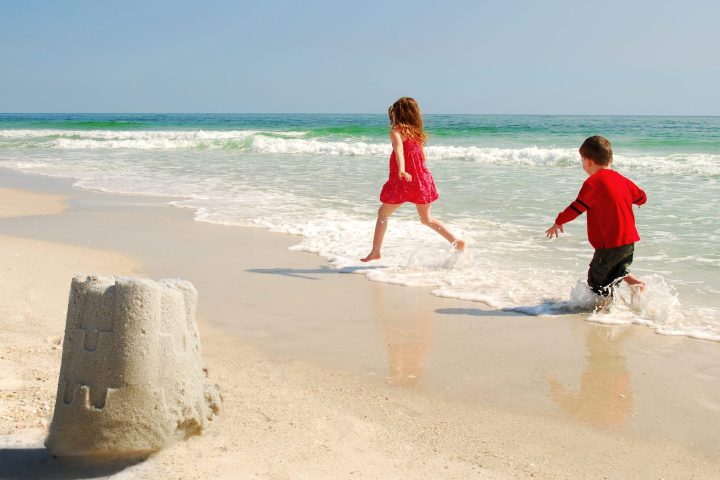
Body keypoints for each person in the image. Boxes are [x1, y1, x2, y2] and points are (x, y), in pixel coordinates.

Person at [361, 97, 465, 262]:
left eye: (393, 110)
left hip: (403, 181)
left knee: (382, 213)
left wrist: (401, 170)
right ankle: (456, 241)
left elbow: (399, 151)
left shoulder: (396, 131)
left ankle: (375, 251)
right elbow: (422, 158)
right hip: (422, 179)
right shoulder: (417, 134)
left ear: (398, 112)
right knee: (427, 219)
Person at [545, 135, 646, 299]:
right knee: (616, 269)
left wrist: (559, 221)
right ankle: (635, 284)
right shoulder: (623, 180)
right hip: (628, 242)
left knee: (596, 281)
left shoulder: (593, 183)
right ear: (610, 159)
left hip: (609, 244)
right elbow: (641, 196)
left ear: (588, 161)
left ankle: (602, 313)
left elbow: (576, 207)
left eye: (582, 160)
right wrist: (640, 201)